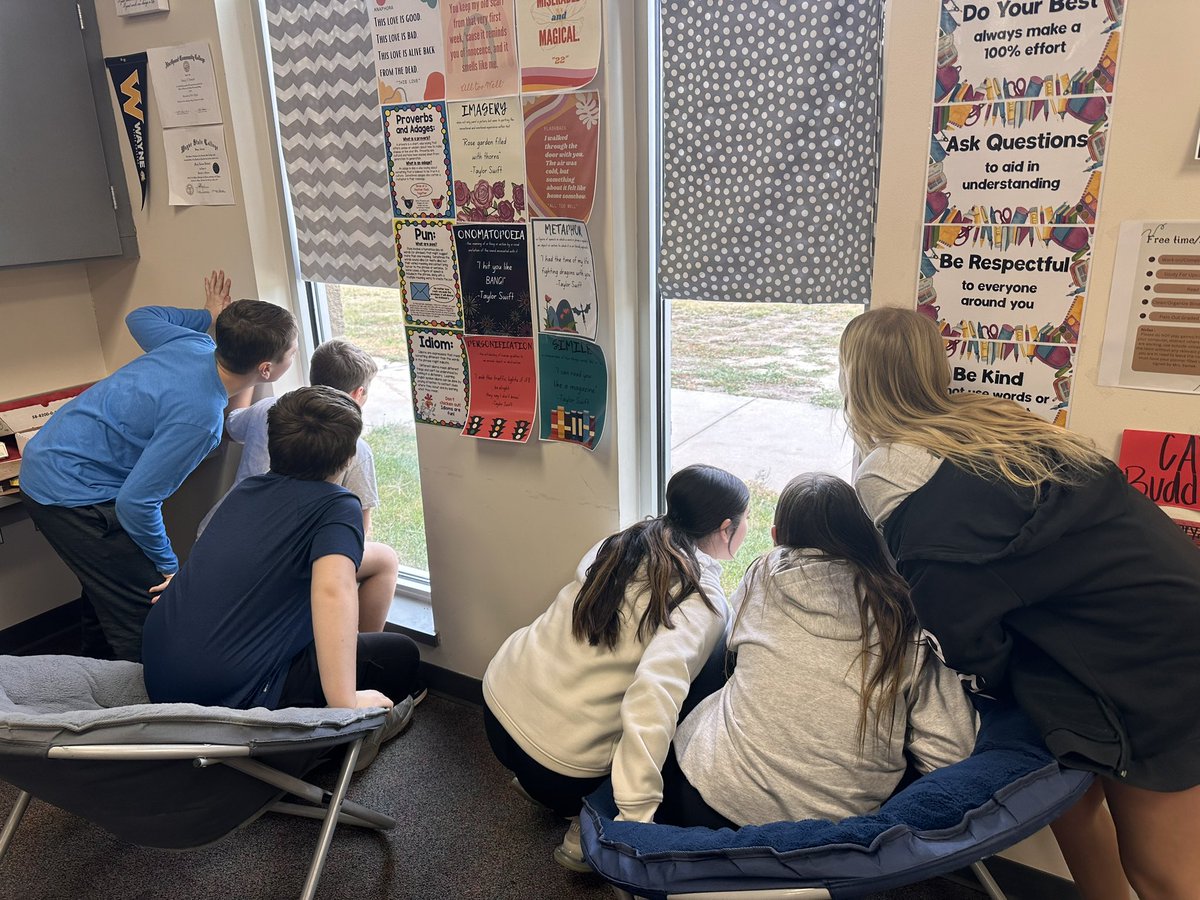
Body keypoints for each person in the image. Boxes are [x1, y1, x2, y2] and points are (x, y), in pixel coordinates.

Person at [841, 306, 1200, 900]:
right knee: (1068, 791)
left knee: (1160, 868)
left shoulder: (890, 470)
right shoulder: (992, 421)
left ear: (853, 379)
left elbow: (953, 613)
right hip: (1148, 603)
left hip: (1148, 648)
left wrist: (987, 667)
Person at [659, 473, 977, 828]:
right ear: (867, 534)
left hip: (709, 792)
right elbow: (951, 751)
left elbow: (735, 643)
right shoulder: (905, 614)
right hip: (831, 829)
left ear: (776, 537)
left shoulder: (761, 573)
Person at [20, 271, 298, 662]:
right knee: (147, 609)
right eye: (292, 351)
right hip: (69, 490)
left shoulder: (193, 343)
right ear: (266, 369)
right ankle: (144, 710)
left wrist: (207, 317)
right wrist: (170, 567)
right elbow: (137, 502)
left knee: (109, 582)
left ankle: (93, 680)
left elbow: (140, 317)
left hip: (53, 453)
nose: (295, 355)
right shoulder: (200, 418)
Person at [482, 464, 749, 871]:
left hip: (496, 706)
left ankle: (542, 785)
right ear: (727, 527)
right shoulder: (703, 600)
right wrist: (634, 821)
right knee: (709, 665)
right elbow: (654, 698)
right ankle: (590, 821)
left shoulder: (623, 540)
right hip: (561, 766)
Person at [141, 386, 422, 769]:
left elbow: (223, 557)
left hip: (161, 672)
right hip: (223, 696)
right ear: (349, 455)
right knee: (402, 657)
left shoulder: (247, 491)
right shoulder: (337, 505)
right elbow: (332, 589)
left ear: (274, 444)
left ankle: (341, 674)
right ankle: (346, 738)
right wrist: (346, 701)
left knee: (383, 559)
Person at [197, 338, 397, 632]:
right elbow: (358, 533)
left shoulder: (269, 410)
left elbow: (230, 425)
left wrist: (253, 371)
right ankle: (362, 653)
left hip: (216, 537)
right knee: (386, 560)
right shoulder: (354, 448)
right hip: (276, 561)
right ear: (359, 394)